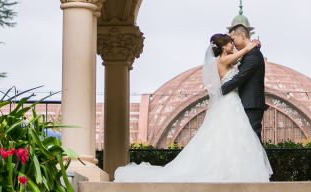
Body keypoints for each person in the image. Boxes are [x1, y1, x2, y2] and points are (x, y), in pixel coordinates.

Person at [113, 34, 273, 182]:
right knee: (232, 134)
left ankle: (233, 170)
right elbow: (243, 55)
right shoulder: (224, 61)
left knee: (229, 135)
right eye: (230, 43)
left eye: (233, 41)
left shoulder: (227, 60)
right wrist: (252, 45)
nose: (232, 44)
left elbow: (240, 62)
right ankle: (233, 171)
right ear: (224, 47)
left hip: (232, 101)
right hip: (230, 99)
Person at [221, 24, 267, 139]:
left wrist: (219, 90)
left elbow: (239, 78)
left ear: (241, 35)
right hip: (245, 104)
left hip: (250, 105)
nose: (232, 43)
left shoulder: (253, 55)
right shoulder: (249, 54)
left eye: (233, 39)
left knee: (253, 140)